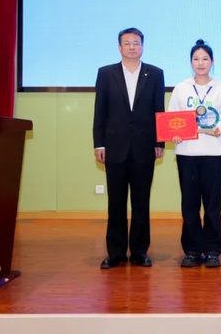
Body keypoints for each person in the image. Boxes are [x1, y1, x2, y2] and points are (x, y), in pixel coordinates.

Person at [93, 27, 165, 269]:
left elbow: (159, 110)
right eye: (127, 43)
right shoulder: (106, 73)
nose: (132, 47)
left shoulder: (155, 74)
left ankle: (139, 251)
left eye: (136, 43)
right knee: (116, 202)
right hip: (115, 146)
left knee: (141, 201)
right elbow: (100, 112)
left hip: (144, 147)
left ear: (142, 46)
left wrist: (159, 142)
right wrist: (99, 143)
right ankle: (115, 252)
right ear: (119, 47)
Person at [167, 39, 221, 268]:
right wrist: (174, 133)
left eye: (205, 58)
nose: (200, 63)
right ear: (190, 62)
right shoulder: (181, 88)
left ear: (212, 62)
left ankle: (213, 250)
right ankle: (192, 250)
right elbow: (172, 117)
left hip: (213, 153)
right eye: (196, 59)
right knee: (189, 204)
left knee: (212, 205)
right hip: (186, 153)